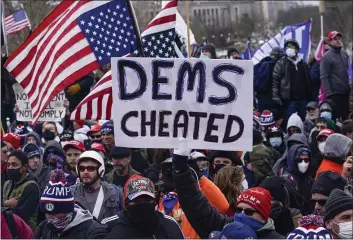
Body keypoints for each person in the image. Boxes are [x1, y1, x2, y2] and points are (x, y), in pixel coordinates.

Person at [172, 141, 285, 239]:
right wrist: (181, 168)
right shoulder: (224, 226)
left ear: (264, 216)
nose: (241, 215)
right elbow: (195, 205)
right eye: (239, 210)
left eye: (249, 212)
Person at [104, 175, 184, 238]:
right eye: (137, 201)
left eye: (147, 200)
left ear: (154, 201)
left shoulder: (168, 225)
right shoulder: (109, 226)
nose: (142, 204)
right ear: (126, 202)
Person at [34, 169, 107, 238]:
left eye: (55, 213)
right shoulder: (44, 228)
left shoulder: (93, 231)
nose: (52, 218)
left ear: (68, 210)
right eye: (48, 213)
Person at [70, 150, 123, 222]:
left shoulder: (115, 192)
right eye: (82, 168)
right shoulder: (70, 193)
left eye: (90, 168)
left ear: (100, 170)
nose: (85, 172)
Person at [272, 39, 313, 122]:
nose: (288, 49)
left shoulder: (303, 64)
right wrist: (275, 96)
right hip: (289, 100)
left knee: (304, 121)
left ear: (297, 49)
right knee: (291, 122)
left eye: (291, 47)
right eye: (287, 47)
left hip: (303, 100)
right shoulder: (281, 63)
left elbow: (308, 81)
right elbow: (275, 81)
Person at [3, 150, 40, 230]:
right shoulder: (7, 184)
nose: (10, 168)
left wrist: (4, 206)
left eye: (14, 165)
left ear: (24, 167)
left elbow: (21, 216)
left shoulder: (31, 187)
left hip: (24, 232)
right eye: (8, 165)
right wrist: (6, 204)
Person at [320, 31, 350, 121]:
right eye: (335, 39)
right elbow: (324, 77)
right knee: (335, 119)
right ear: (330, 42)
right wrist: (329, 94)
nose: (338, 41)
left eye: (339, 38)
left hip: (345, 93)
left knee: (346, 119)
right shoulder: (326, 57)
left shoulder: (344, 53)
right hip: (334, 94)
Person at [280, 144, 314, 215]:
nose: (303, 163)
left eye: (306, 160)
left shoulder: (309, 180)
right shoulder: (285, 181)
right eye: (300, 160)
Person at [255, 47, 283, 112]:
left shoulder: (261, 65)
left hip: (261, 99)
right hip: (274, 100)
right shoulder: (278, 66)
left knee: (263, 119)